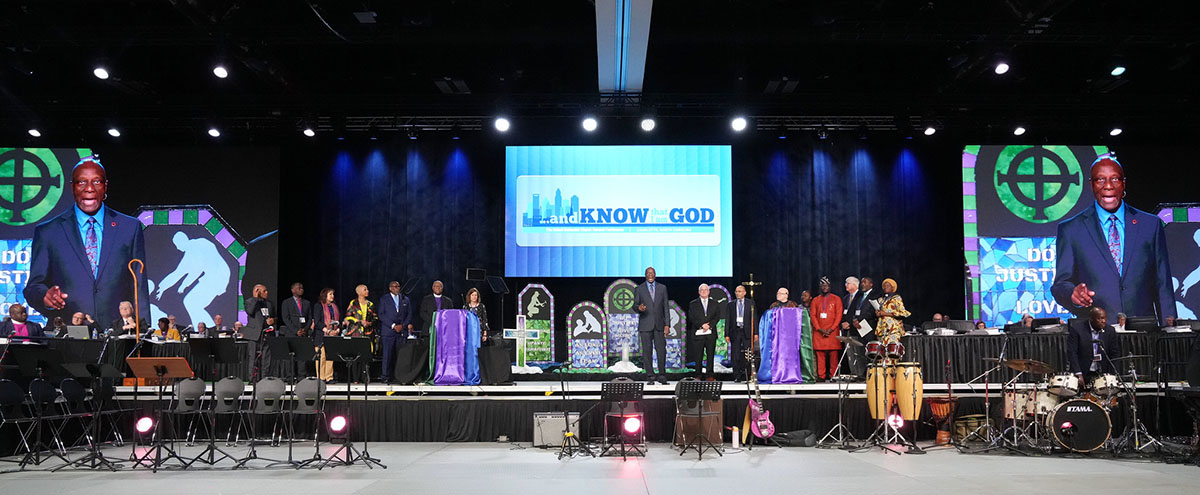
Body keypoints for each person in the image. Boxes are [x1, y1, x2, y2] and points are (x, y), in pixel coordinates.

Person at [24, 156, 149, 329]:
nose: (89, 189)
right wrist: (45, 296)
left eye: (96, 181)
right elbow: (32, 288)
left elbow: (139, 287)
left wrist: (142, 333)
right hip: (68, 336)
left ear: (105, 187)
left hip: (118, 335)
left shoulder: (129, 227)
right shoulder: (48, 232)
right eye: (81, 182)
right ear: (72, 187)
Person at [1052, 156, 1175, 326]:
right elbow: (1060, 285)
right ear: (1091, 185)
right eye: (1100, 179)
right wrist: (1072, 295)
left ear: (1123, 183)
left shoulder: (1150, 225)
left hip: (1144, 332)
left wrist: (1171, 332)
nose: (1108, 186)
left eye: (1114, 179)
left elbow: (1163, 286)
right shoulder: (1071, 229)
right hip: (1095, 332)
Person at [634, 267, 671, 385]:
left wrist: (667, 324)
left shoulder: (662, 288)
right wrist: (639, 308)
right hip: (645, 325)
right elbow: (634, 305)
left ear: (655, 274)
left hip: (659, 325)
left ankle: (662, 375)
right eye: (648, 273)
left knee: (661, 351)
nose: (650, 275)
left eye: (652, 273)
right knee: (647, 352)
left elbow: (666, 307)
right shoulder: (639, 289)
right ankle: (650, 376)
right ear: (645, 275)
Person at [1067, 306, 1122, 378]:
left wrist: (1113, 374)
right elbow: (1072, 352)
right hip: (1082, 372)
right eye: (1099, 318)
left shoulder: (1110, 331)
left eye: (1104, 318)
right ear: (1091, 319)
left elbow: (1114, 354)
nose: (1103, 321)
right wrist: (1078, 373)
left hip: (1102, 373)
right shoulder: (1077, 329)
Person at [378, 281, 413, 384]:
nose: (397, 288)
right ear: (390, 288)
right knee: (387, 355)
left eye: (398, 286)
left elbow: (409, 314)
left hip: (401, 331)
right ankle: (385, 376)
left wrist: (403, 325)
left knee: (400, 356)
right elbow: (381, 314)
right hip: (388, 331)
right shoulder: (384, 299)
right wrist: (393, 326)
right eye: (394, 286)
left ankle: (399, 376)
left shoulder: (405, 299)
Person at [810, 276, 844, 381]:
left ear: (830, 287)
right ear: (820, 287)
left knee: (834, 355)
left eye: (826, 285)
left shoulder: (836, 299)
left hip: (832, 332)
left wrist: (831, 328)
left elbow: (839, 315)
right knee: (820, 355)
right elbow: (813, 316)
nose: (824, 287)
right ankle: (821, 376)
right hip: (819, 332)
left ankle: (833, 376)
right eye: (822, 285)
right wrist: (819, 329)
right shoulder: (815, 300)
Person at [687, 284, 722, 381]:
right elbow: (691, 317)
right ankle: (698, 374)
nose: (703, 291)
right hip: (698, 333)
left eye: (705, 290)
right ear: (699, 292)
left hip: (711, 333)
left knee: (710, 355)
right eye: (701, 290)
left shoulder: (714, 303)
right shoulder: (693, 304)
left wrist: (709, 325)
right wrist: (702, 325)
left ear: (709, 292)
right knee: (698, 355)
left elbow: (717, 316)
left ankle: (709, 375)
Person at [874, 278, 911, 363]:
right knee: (881, 354)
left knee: (892, 353)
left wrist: (885, 313)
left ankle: (892, 373)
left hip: (893, 329)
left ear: (893, 287)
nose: (885, 287)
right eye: (884, 286)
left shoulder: (896, 298)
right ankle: (884, 374)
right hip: (881, 329)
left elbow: (903, 313)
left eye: (888, 285)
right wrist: (878, 313)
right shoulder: (880, 300)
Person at [245, 284, 277, 377]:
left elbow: (275, 317)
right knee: (253, 358)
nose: (267, 293)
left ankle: (265, 377)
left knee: (266, 358)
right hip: (254, 335)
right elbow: (250, 311)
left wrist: (273, 320)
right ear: (258, 292)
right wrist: (255, 298)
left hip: (267, 334)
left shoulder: (269, 303)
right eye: (264, 291)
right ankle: (252, 378)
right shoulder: (249, 301)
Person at [725, 285, 756, 382]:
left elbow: (754, 318)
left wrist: (755, 333)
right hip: (735, 331)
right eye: (736, 291)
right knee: (736, 354)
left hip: (747, 331)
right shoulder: (731, 304)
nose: (738, 293)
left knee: (748, 353)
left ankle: (747, 375)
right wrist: (726, 334)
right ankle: (737, 376)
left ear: (744, 293)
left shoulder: (750, 303)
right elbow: (728, 320)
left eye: (740, 291)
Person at [314, 288, 340, 382]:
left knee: (330, 357)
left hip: (332, 335)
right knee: (321, 357)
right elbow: (317, 321)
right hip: (321, 334)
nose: (332, 296)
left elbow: (337, 321)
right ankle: (321, 377)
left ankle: (329, 377)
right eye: (330, 294)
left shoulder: (334, 307)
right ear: (324, 295)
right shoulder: (318, 306)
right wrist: (327, 331)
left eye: (333, 294)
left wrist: (337, 330)